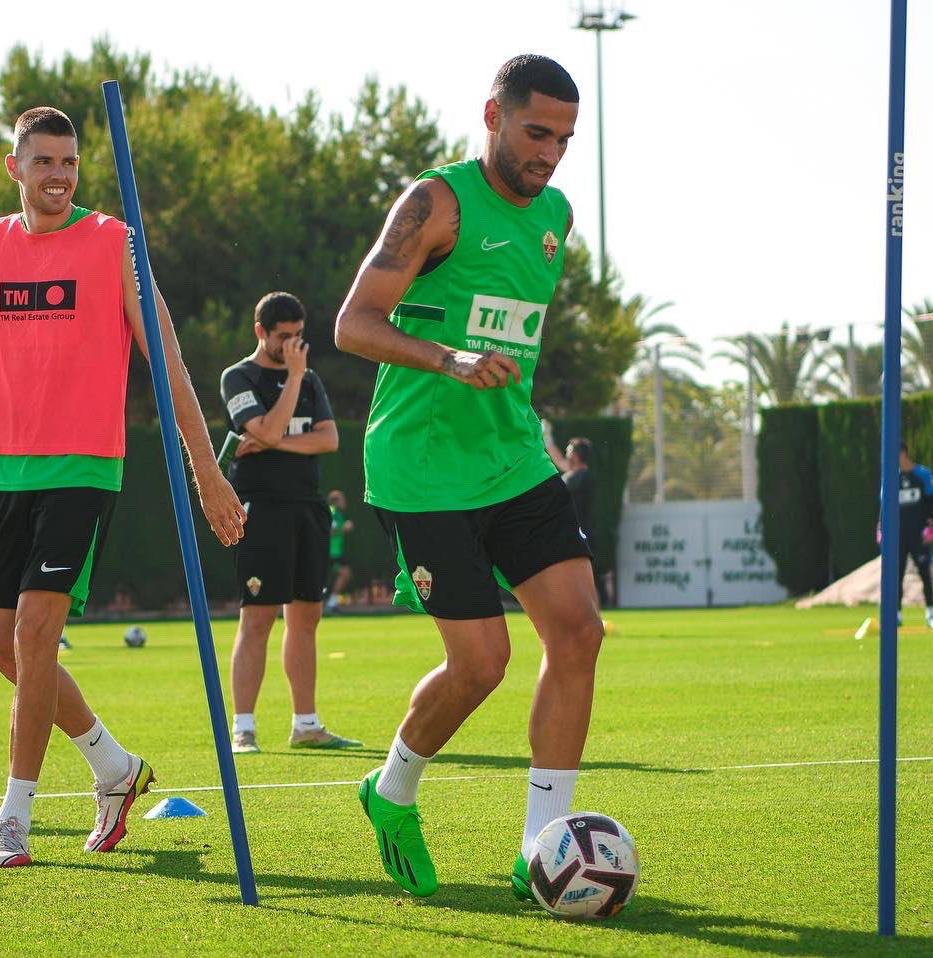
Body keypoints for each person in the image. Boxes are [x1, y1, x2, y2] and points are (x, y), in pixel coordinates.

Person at [0, 107, 245, 868]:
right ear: (15, 167)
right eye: (44, 162)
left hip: (84, 468)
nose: (60, 175)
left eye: (69, 162)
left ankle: (15, 819)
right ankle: (115, 768)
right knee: (3, 646)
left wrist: (207, 472)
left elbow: (168, 363)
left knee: (36, 636)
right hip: (11, 469)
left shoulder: (115, 244)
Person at [334, 54, 598, 900]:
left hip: (513, 459)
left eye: (563, 138)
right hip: (421, 471)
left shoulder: (554, 215)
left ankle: (542, 852)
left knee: (579, 634)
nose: (550, 153)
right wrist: (447, 357)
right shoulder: (434, 202)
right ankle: (392, 788)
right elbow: (353, 323)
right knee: (482, 662)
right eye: (535, 132)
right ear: (493, 115)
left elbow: (510, 338)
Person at [219, 291, 360, 754]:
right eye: (285, 337)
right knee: (257, 618)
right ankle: (243, 728)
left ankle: (307, 724)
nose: (295, 345)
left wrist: (271, 438)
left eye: (300, 335)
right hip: (262, 508)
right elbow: (274, 427)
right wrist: (283, 409)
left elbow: (330, 440)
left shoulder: (311, 379)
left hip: (308, 506)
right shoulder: (239, 377)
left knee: (307, 617)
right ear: (261, 332)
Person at [542, 424, 608, 607]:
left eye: (569, 452)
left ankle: (595, 620)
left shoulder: (580, 477)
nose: (566, 455)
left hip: (581, 536)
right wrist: (548, 440)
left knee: (586, 582)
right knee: (581, 581)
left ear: (576, 456)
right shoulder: (579, 475)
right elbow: (562, 465)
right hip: (579, 535)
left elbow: (560, 476)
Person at [880, 442, 933, 629]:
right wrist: (881, 527)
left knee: (924, 572)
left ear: (904, 453)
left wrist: (930, 525)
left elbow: (931, 501)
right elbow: (883, 506)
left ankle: (930, 614)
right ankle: (896, 615)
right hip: (898, 537)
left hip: (918, 535)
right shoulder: (890, 478)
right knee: (896, 576)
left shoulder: (922, 475)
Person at [325, 490, 355, 611]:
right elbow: (329, 532)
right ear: (336, 501)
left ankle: (331, 603)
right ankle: (330, 603)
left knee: (345, 574)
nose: (344, 502)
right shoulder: (332, 512)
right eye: (342, 499)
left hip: (336, 553)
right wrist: (344, 528)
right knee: (345, 574)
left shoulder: (338, 513)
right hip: (331, 553)